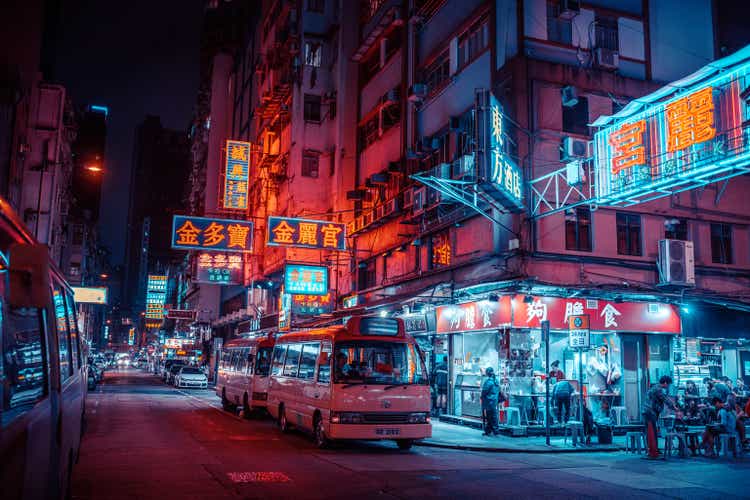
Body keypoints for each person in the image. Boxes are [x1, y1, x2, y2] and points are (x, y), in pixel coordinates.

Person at [642, 375, 679, 459]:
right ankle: (652, 452)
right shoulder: (658, 389)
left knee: (653, 431)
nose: (668, 386)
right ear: (665, 383)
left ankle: (654, 449)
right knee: (651, 432)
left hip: (650, 412)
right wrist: (674, 408)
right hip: (649, 412)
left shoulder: (655, 387)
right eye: (668, 384)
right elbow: (665, 399)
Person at [481, 367, 502, 436]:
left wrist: (482, 396)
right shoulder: (496, 381)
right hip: (494, 400)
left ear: (487, 373)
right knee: (491, 416)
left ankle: (496, 431)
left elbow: (484, 391)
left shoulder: (489, 382)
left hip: (488, 401)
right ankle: (488, 431)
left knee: (492, 416)